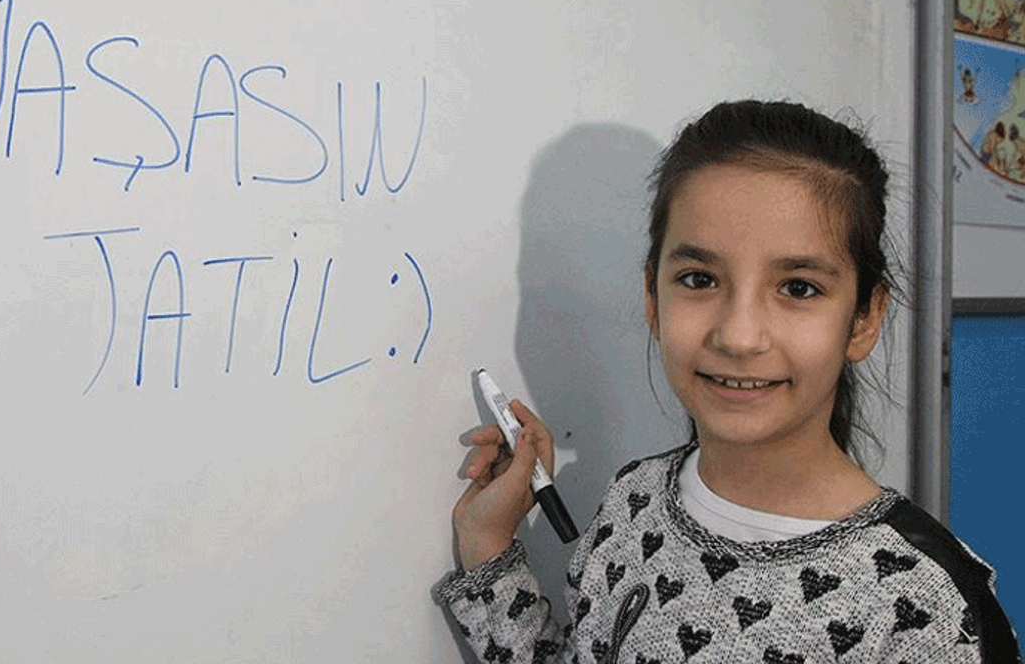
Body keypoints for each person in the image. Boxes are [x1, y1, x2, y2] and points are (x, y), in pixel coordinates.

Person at [434, 101, 1021, 663]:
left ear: (864, 319)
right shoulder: (635, 500)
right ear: (652, 296)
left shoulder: (925, 611)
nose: (738, 337)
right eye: (699, 279)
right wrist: (488, 544)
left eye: (798, 288)